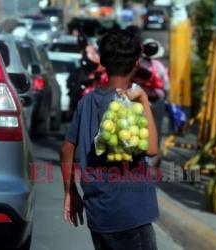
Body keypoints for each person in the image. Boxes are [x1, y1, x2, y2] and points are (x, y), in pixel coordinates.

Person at [60, 30, 159, 250]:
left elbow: (67, 148)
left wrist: (70, 192)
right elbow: (151, 149)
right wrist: (142, 97)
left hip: (99, 215)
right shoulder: (133, 103)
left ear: (102, 61)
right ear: (136, 63)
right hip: (132, 215)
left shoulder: (86, 103)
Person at [132, 38, 169, 167]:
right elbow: (166, 85)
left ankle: (138, 155)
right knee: (156, 128)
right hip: (156, 100)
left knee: (138, 126)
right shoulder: (159, 66)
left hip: (138, 100)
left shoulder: (137, 64)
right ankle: (154, 158)